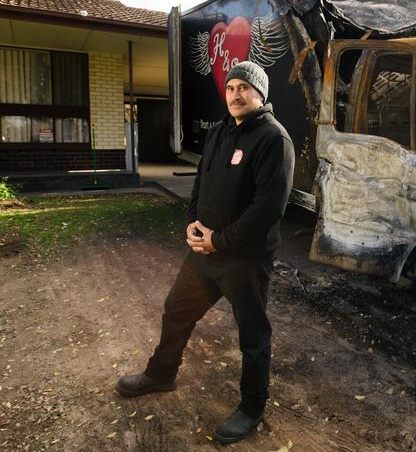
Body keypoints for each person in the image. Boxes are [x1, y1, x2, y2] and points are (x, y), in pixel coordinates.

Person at [115, 61, 295, 445]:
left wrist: (220, 241)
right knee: (176, 311)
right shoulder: (217, 132)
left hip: (244, 261)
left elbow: (269, 208)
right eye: (230, 88)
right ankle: (161, 374)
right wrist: (193, 222)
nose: (235, 94)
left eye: (244, 87)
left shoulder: (273, 140)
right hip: (204, 252)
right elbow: (201, 182)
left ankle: (252, 406)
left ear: (260, 93)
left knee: (253, 335)